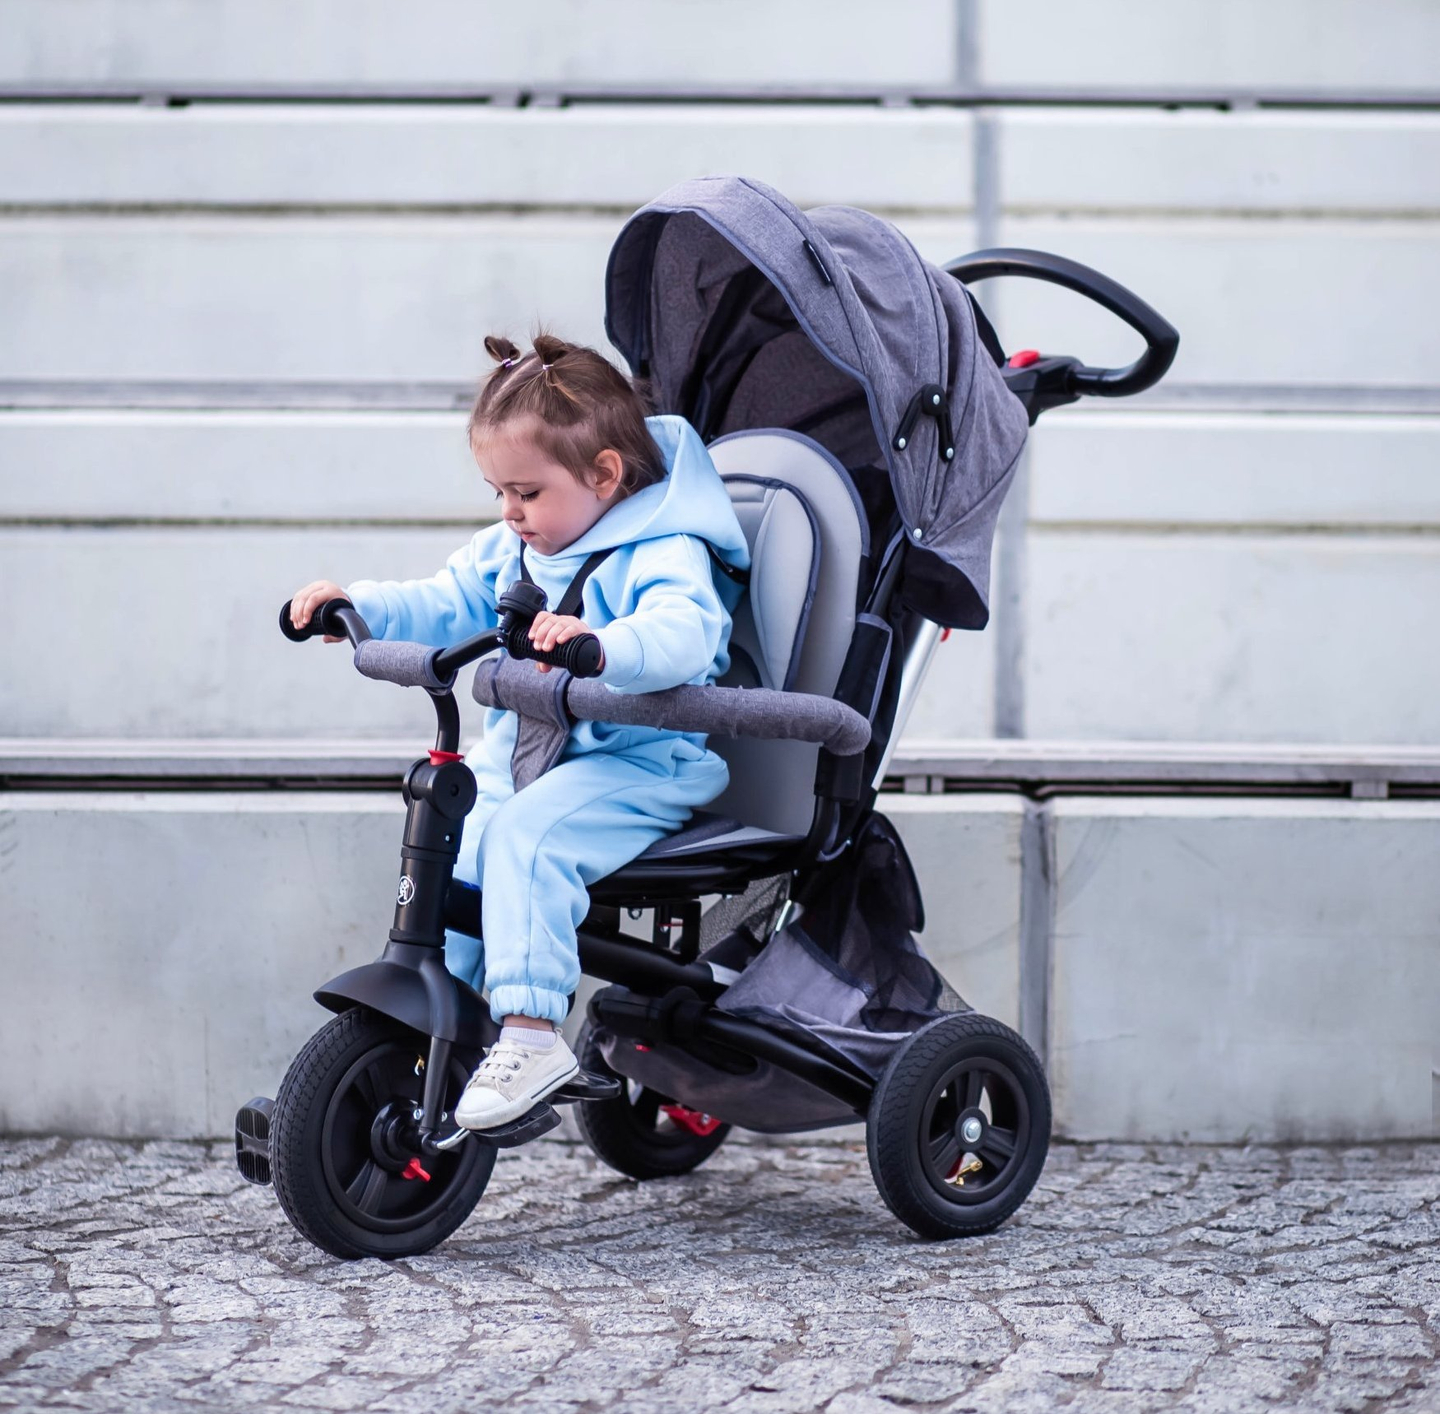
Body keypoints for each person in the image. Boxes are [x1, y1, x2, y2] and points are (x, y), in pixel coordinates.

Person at [289, 332, 749, 1130]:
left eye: (527, 493)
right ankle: (442, 1040)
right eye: (499, 492)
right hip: (531, 753)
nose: (510, 512)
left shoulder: (665, 549)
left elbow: (686, 633)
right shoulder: (519, 545)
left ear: (604, 475)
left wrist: (604, 646)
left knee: (526, 842)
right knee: (458, 858)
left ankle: (531, 1033)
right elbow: (446, 595)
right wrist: (356, 605)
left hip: (637, 761)